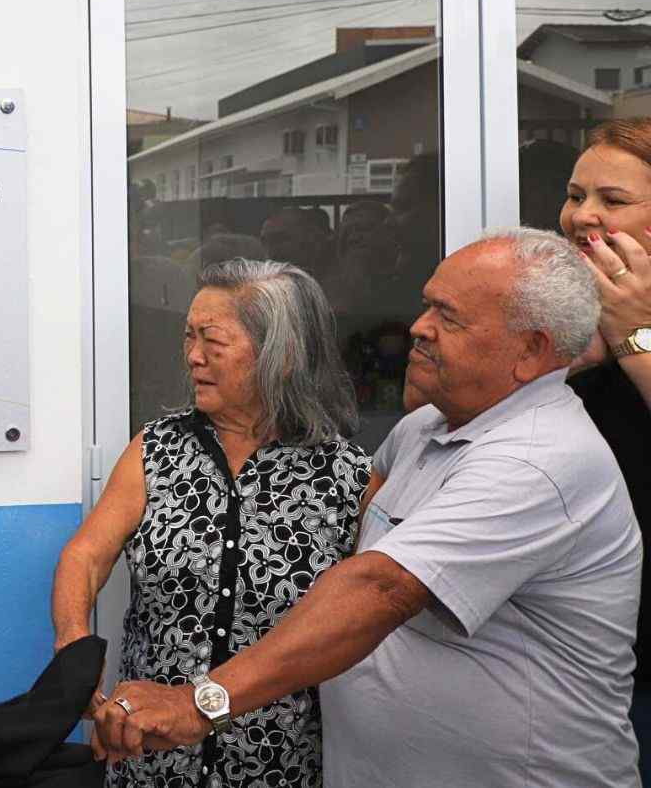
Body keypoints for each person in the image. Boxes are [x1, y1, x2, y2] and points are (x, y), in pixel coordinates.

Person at [96, 228, 641, 788]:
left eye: (448, 318)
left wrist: (200, 703)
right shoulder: (426, 428)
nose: (418, 328)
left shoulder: (537, 463)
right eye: (428, 305)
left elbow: (380, 588)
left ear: (530, 350)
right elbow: (370, 518)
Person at [52, 258, 370, 787]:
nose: (193, 356)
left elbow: (360, 621)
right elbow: (86, 555)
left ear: (281, 354)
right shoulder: (156, 450)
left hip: (280, 765)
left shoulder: (347, 478)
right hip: (150, 759)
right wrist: (73, 647)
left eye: (212, 341)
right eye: (188, 337)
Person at [557, 116, 651, 780]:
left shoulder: (627, 325)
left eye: (612, 201)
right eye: (574, 194)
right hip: (576, 663)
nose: (581, 215)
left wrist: (635, 338)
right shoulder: (575, 309)